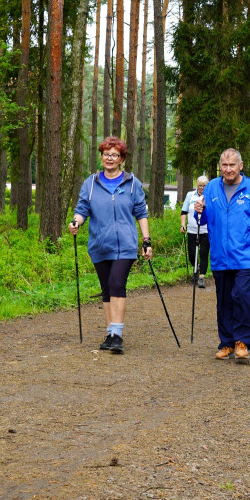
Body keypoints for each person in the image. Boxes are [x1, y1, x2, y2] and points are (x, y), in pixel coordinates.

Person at [70, 136, 152, 355]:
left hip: (125, 245)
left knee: (117, 283)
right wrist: (76, 222)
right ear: (101, 156)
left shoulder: (132, 183)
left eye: (115, 154)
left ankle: (117, 334)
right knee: (106, 289)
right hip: (99, 245)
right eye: (106, 154)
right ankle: (110, 333)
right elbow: (82, 209)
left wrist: (146, 241)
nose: (110, 158)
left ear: (122, 158)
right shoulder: (91, 183)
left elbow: (141, 213)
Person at [194, 149, 250, 362]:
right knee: (224, 300)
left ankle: (243, 341)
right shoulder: (211, 188)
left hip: (245, 255)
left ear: (241, 165)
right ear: (220, 166)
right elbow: (203, 219)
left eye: (232, 165)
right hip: (220, 256)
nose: (228, 169)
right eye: (224, 165)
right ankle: (227, 343)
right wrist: (198, 210)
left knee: (242, 296)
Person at [180, 175, 210, 289]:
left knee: (203, 253)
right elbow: (184, 211)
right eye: (200, 185)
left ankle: (201, 276)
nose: (201, 188)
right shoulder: (190, 195)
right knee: (192, 253)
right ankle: (196, 268)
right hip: (192, 229)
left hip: (205, 230)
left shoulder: (209, 196)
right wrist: (182, 225)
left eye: (204, 186)